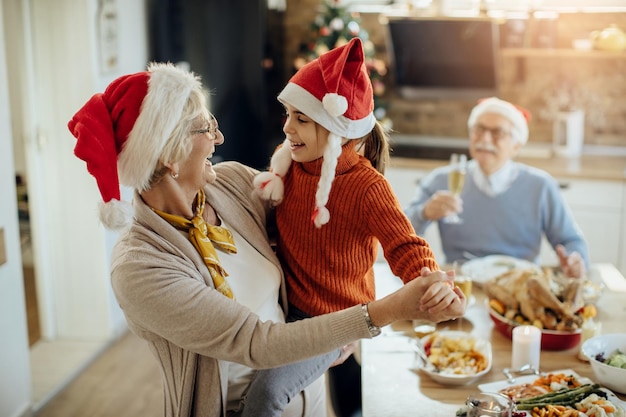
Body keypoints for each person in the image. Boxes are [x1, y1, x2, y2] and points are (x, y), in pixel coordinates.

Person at [67, 62, 465, 417]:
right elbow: (257, 343)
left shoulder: (235, 184)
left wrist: (415, 278)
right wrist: (373, 315)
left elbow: (337, 228)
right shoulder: (140, 267)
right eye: (207, 128)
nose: (218, 139)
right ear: (170, 155)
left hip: (309, 394)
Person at [250, 38, 465, 417]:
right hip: (289, 308)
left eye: (301, 119)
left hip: (336, 319)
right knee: (347, 391)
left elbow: (405, 247)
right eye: (287, 114)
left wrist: (432, 284)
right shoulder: (290, 165)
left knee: (264, 396)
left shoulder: (366, 186)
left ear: (337, 129)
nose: (287, 128)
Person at [404, 97, 589, 279]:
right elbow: (401, 233)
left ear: (516, 146)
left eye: (497, 133)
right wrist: (424, 213)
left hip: (522, 287)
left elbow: (571, 241)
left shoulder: (541, 186)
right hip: (460, 286)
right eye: (479, 129)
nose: (484, 139)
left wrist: (575, 260)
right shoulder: (440, 180)